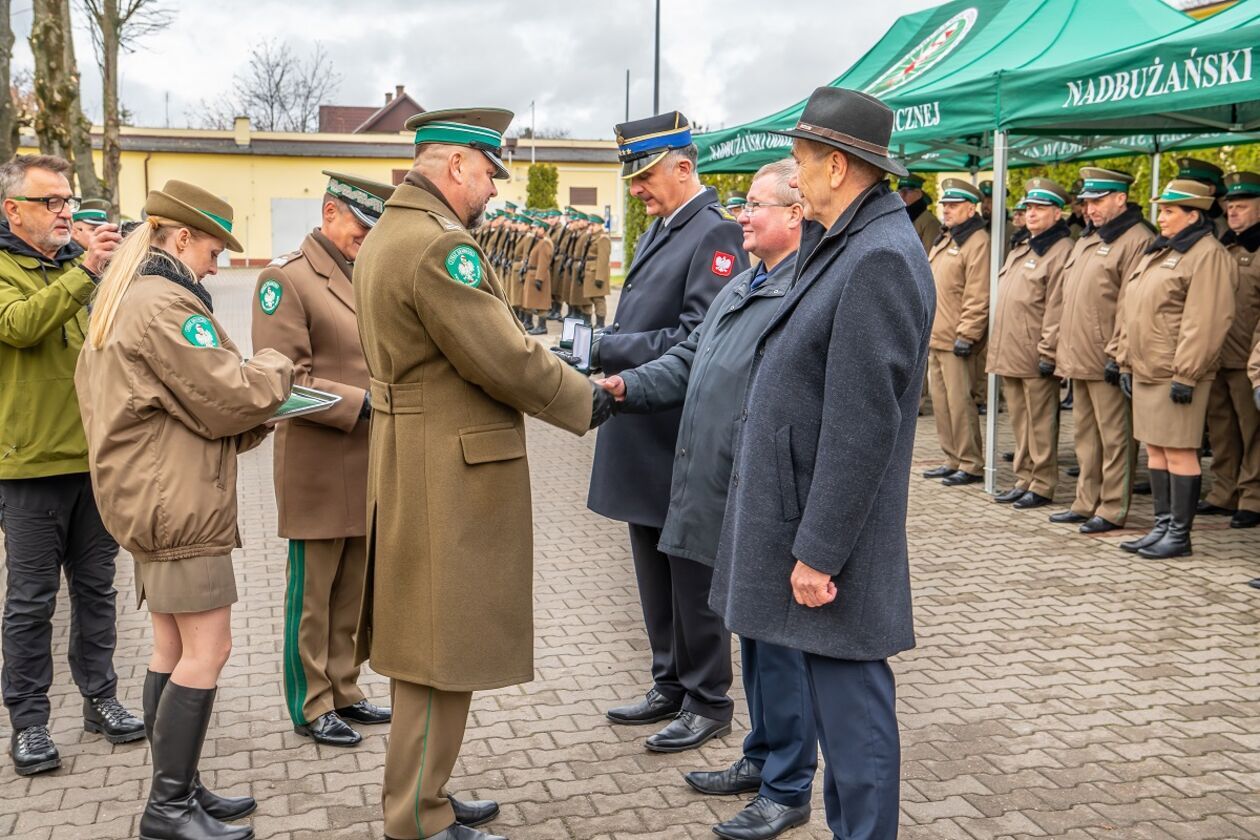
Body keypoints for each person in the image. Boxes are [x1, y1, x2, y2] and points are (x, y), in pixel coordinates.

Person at [352, 107, 614, 840]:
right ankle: (419, 818)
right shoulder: (440, 248)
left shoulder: (389, 233)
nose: (492, 191)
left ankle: (423, 789)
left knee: (426, 645)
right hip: (447, 471)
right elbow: (504, 356)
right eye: (488, 174)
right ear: (457, 165)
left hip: (413, 457)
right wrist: (585, 400)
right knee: (441, 649)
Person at [711, 86, 934, 840]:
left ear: (837, 166)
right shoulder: (841, 240)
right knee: (840, 708)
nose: (794, 177)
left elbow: (862, 425)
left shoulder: (877, 257)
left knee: (853, 715)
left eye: (802, 163)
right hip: (805, 516)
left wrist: (819, 550)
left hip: (832, 539)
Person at [601, 159, 814, 840]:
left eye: (756, 205)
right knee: (754, 637)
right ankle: (760, 758)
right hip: (723, 483)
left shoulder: (801, 290)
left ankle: (787, 787)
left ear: (796, 215)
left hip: (766, 492)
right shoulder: (751, 281)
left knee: (778, 645)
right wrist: (625, 388)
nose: (741, 217)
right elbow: (690, 358)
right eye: (745, 205)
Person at [76, 179, 294, 840]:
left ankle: (180, 787)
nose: (218, 261)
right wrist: (277, 365)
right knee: (210, 647)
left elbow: (193, 402)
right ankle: (167, 809)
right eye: (212, 246)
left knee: (171, 647)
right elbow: (227, 391)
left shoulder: (129, 296)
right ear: (178, 238)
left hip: (152, 496)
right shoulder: (166, 304)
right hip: (177, 500)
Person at [586, 110, 747, 753]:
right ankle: (670, 681)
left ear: (685, 166)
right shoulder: (666, 226)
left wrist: (612, 348)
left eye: (647, 174)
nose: (637, 188)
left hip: (674, 431)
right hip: (642, 427)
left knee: (690, 577)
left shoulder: (715, 233)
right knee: (653, 570)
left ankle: (708, 698)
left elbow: (697, 340)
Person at [0, 154, 141, 777]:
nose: (65, 211)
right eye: (50, 202)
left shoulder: (73, 269)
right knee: (31, 603)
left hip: (94, 464)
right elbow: (22, 326)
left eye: (66, 200)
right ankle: (29, 722)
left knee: (96, 593)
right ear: (13, 210)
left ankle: (101, 699)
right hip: (29, 468)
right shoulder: (8, 269)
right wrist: (87, 268)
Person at [250, 171, 394, 749]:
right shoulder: (284, 279)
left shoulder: (364, 275)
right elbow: (283, 385)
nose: (366, 238)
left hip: (367, 460)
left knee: (352, 589)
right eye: (360, 227)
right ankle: (309, 703)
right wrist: (365, 406)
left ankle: (344, 687)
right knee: (312, 592)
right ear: (330, 212)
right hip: (317, 460)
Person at [1115, 179, 1236, 559]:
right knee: (1156, 450)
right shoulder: (1161, 250)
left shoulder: (1207, 254)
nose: (1161, 217)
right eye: (1162, 210)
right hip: (1149, 367)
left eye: (1169, 211)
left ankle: (1179, 535)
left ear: (1193, 215)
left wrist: (1187, 373)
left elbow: (1206, 320)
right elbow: (1132, 306)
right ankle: (1162, 525)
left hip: (1177, 373)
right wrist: (1124, 358)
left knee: (1181, 452)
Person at [1049, 167, 1154, 534]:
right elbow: (1069, 299)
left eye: (1098, 201)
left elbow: (1132, 305)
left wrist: (1117, 354)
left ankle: (1112, 507)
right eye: (1087, 202)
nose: (1090, 209)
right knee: (1085, 437)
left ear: (1120, 199)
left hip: (1108, 356)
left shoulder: (1137, 239)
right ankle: (1085, 500)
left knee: (1115, 438)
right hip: (1079, 355)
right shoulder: (1087, 240)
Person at [988, 179, 1073, 510]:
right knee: (1020, 420)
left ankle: (1043, 481)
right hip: (1012, 347)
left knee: (1040, 422)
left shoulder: (1061, 250)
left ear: (1057, 213)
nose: (1031, 214)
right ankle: (1025, 477)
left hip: (1036, 349)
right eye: (1028, 208)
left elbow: (1056, 306)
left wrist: (1048, 350)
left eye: (1039, 209)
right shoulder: (1024, 245)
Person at [1201, 171, 1260, 529]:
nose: (1233, 212)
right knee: (1222, 429)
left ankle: (1252, 497)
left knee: (1253, 433)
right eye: (1230, 205)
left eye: (1242, 206)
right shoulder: (1225, 245)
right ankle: (1224, 491)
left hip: (1248, 359)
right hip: (1219, 353)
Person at [923, 178, 990, 486]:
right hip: (936, 333)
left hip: (957, 338)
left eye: (953, 206)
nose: (946, 211)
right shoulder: (947, 237)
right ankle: (951, 457)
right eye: (945, 205)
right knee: (941, 401)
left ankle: (970, 461)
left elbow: (978, 293)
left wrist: (968, 333)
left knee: (960, 404)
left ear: (970, 207)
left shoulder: (977, 241)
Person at [580, 214, 612, 328]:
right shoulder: (592, 237)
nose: (590, 227)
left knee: (599, 300)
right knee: (589, 298)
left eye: (592, 225)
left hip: (596, 273)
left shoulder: (603, 238)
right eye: (590, 225)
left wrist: (599, 278)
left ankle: (600, 323)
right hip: (589, 272)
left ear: (599, 225)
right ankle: (588, 322)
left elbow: (603, 259)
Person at [522, 218, 554, 334]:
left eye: (536, 228)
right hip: (532, 274)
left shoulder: (545, 242)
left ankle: (542, 326)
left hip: (539, 275)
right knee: (530, 301)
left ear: (542, 229)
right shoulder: (538, 241)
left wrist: (539, 278)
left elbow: (543, 262)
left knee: (541, 303)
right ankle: (529, 323)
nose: (533, 230)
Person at [897, 171, 941, 253]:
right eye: (900, 191)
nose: (902, 195)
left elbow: (930, 257)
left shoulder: (930, 223)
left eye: (906, 191)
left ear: (918, 194)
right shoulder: (903, 218)